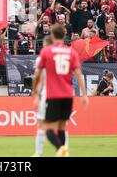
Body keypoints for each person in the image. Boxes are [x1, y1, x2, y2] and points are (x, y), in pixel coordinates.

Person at [32, 24, 88, 157]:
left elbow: (38, 74)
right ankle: (63, 152)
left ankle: (60, 148)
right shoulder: (72, 52)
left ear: (52, 35)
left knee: (47, 129)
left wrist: (35, 92)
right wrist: (84, 94)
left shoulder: (46, 51)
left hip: (53, 95)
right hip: (68, 95)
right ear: (64, 36)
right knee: (62, 127)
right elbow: (79, 74)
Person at [31, 35, 53, 157]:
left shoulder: (41, 59)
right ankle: (63, 150)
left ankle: (38, 153)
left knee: (41, 123)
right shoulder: (62, 57)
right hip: (61, 94)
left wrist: (35, 94)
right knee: (60, 125)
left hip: (47, 93)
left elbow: (38, 77)